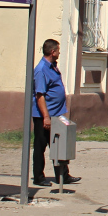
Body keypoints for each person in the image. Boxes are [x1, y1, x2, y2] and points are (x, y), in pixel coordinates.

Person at [32, 38, 78, 186]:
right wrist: (46, 117)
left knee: (59, 145)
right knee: (40, 146)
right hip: (44, 116)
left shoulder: (52, 66)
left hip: (56, 114)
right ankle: (39, 177)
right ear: (52, 52)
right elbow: (40, 96)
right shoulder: (41, 69)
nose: (59, 52)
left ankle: (63, 176)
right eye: (58, 50)